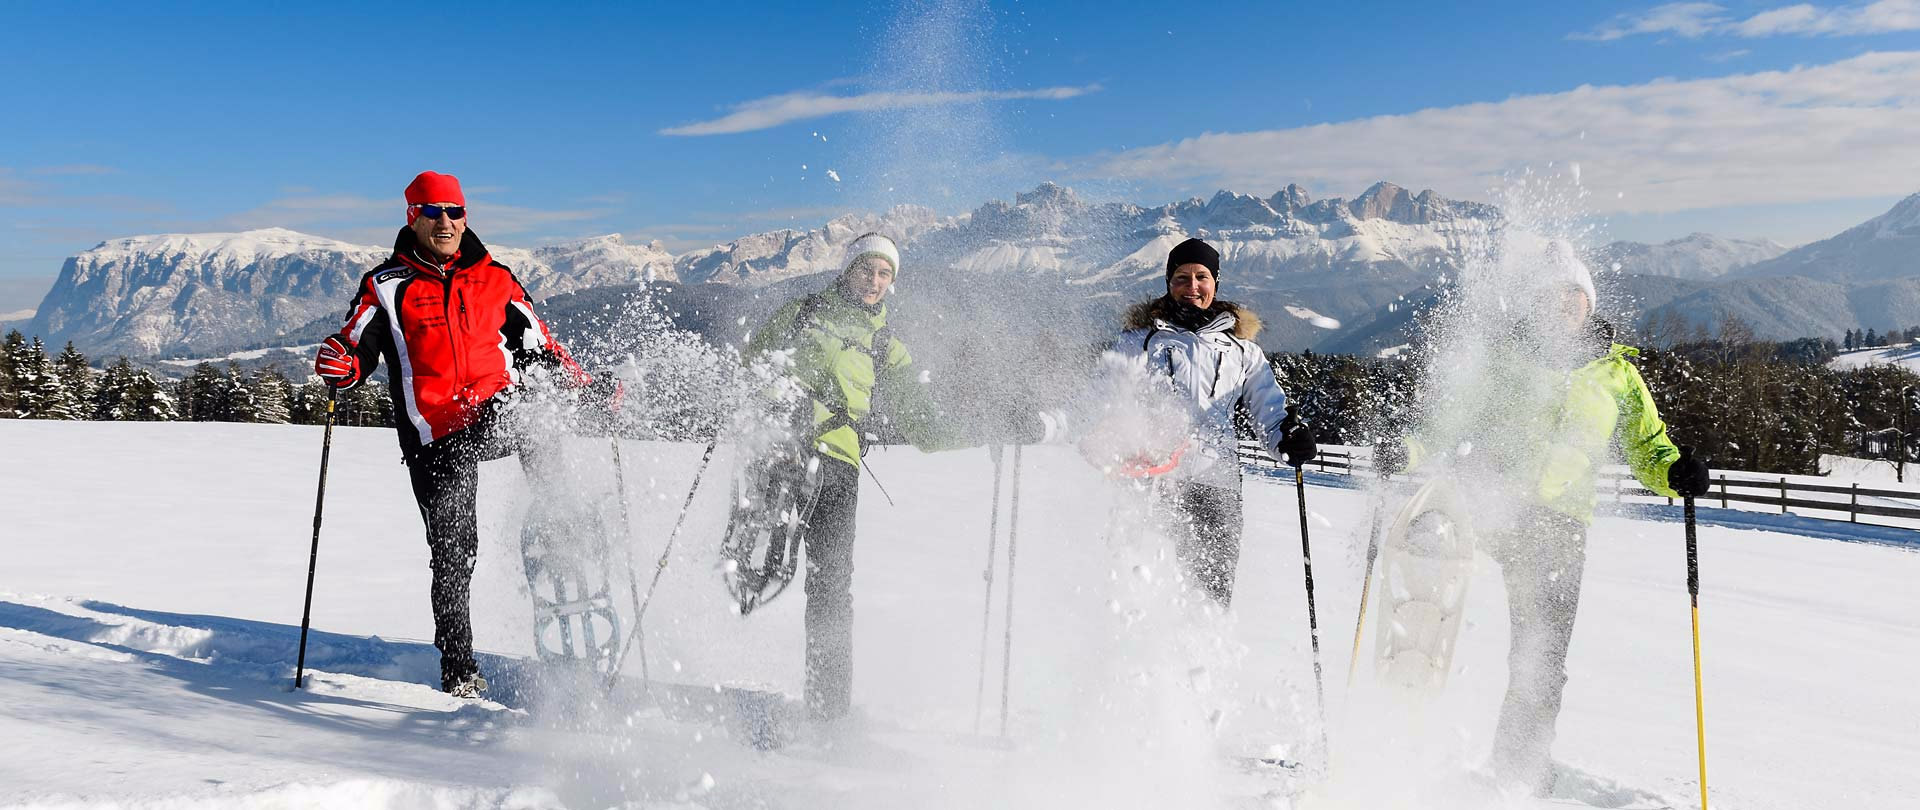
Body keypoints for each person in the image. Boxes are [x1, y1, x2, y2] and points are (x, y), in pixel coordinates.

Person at [1375, 240, 1712, 793]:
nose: (1561, 305)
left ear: (1588, 302)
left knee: (1540, 656)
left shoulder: (1617, 375)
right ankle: (1395, 728)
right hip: (1484, 506)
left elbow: (1650, 447)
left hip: (1558, 526)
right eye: (1549, 296)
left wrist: (1676, 472)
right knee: (1427, 589)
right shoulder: (1504, 358)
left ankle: (1518, 769)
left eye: (1572, 295)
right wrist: (1409, 449)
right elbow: (1450, 418)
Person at [313, 171, 598, 697]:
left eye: (454, 211)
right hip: (434, 432)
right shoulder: (386, 285)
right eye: (432, 211)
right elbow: (356, 347)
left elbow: (540, 347)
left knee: (538, 417)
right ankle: (459, 665)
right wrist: (341, 363)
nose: (445, 221)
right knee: (454, 549)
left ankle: (562, 525)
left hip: (491, 410)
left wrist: (586, 388)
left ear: (466, 216)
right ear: (412, 218)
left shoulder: (497, 278)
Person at [738, 232, 965, 722]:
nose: (875, 281)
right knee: (761, 558)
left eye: (885, 274)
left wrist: (987, 431)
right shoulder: (802, 314)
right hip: (781, 450)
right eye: (867, 269)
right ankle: (735, 607)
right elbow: (752, 365)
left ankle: (827, 709)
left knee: (831, 586)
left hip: (838, 468)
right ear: (848, 269)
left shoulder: (886, 345)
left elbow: (924, 425)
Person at [1108, 237, 1317, 607]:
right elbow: (1101, 399)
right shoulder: (1138, 342)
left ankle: (1208, 662)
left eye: (1201, 277)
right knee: (1142, 596)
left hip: (1217, 488)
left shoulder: (1242, 350)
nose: (1192, 287)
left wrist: (1287, 436)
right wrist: (1046, 425)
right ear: (1168, 284)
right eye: (1181, 278)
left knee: (1210, 601)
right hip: (1151, 485)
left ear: (1215, 283)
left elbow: (1268, 408)